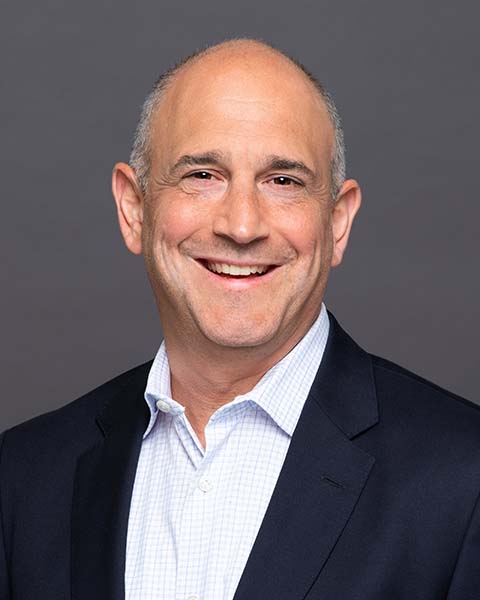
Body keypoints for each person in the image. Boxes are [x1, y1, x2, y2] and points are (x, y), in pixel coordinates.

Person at [1, 38, 479, 600]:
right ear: (134, 209)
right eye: (203, 175)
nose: (242, 226)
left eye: (284, 181)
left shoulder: (464, 477)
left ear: (337, 224)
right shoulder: (23, 478)